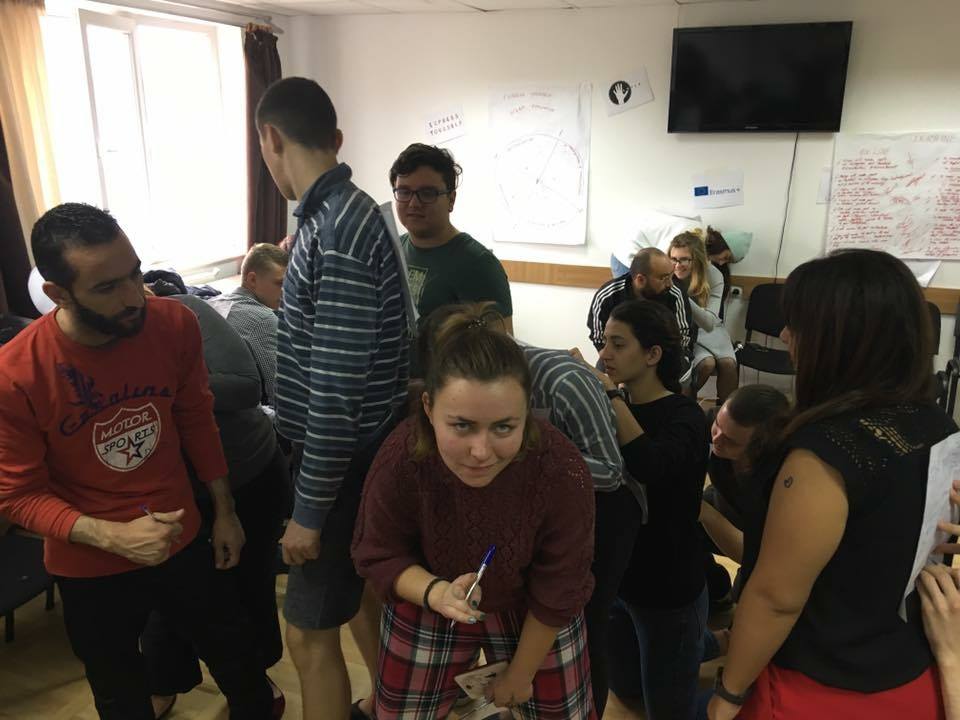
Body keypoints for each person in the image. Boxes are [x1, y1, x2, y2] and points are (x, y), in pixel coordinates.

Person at [0, 203, 273, 719]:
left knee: (240, 661)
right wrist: (110, 536)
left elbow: (196, 418)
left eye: (134, 274)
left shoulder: (173, 323)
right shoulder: (16, 374)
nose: (134, 298)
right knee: (120, 694)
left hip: (183, 535)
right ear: (58, 294)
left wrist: (224, 510)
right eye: (107, 287)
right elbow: (17, 495)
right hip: (89, 564)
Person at [708, 249, 957, 720]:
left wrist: (731, 692)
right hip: (908, 671)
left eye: (797, 324)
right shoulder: (938, 424)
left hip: (822, 687)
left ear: (840, 338)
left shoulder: (823, 453)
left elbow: (776, 598)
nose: (785, 335)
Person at [351, 305, 596, 720]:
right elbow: (377, 552)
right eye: (462, 425)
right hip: (428, 592)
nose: (481, 452)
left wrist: (522, 673)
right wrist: (436, 592)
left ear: (528, 411)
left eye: (504, 427)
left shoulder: (560, 468)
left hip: (535, 608)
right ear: (428, 407)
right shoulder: (402, 459)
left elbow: (561, 583)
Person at [256, 77, 410, 720]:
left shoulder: (337, 229)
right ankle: (392, 707)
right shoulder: (342, 215)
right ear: (336, 139)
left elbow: (336, 389)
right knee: (363, 603)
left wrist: (311, 512)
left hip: (343, 463)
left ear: (270, 138)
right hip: (355, 455)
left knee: (307, 634)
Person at [422, 303, 640, 717]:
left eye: (504, 424)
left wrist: (524, 462)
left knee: (585, 625)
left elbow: (611, 471)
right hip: (535, 516)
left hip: (606, 512)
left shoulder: (565, 382)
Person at [140, 290, 288, 718]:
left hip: (247, 475)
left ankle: (256, 680)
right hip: (166, 494)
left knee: (246, 585)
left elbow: (246, 386)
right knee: (167, 599)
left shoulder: (183, 311)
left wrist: (157, 389)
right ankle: (163, 682)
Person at [579, 299, 709, 720]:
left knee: (668, 708)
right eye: (604, 343)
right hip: (619, 581)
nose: (605, 354)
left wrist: (610, 394)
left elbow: (650, 464)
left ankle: (715, 655)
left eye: (618, 344)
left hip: (668, 587)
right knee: (627, 690)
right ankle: (708, 644)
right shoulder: (610, 407)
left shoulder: (685, 416)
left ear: (653, 355)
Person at [390, 143, 513, 337]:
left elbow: (498, 349)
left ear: (451, 199)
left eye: (427, 193)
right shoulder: (393, 249)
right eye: (404, 192)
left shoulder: (478, 264)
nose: (413, 203)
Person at [206, 243, 289, 409]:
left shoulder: (211, 302)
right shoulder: (263, 320)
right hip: (242, 413)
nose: (286, 291)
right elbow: (280, 394)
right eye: (280, 283)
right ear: (252, 280)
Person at [587, 247, 696, 372]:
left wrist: (651, 362)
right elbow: (598, 338)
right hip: (618, 355)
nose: (670, 284)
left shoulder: (674, 294)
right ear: (640, 280)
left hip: (663, 355)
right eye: (664, 278)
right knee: (601, 377)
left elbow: (682, 337)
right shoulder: (608, 296)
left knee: (678, 371)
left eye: (671, 276)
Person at [668, 232, 738, 402]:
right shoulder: (664, 271)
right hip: (682, 329)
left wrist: (681, 295)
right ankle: (682, 404)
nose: (677, 265)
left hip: (709, 328)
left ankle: (727, 411)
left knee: (728, 363)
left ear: (697, 259)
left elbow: (709, 323)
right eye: (673, 259)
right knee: (707, 364)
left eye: (684, 260)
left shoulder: (714, 275)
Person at [609, 208, 701, 277]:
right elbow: (662, 267)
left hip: (646, 244)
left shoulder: (698, 233)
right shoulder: (678, 243)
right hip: (626, 254)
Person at [704, 227, 750, 320]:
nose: (721, 263)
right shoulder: (692, 257)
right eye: (725, 257)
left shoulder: (719, 271)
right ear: (721, 246)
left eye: (727, 261)